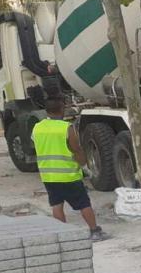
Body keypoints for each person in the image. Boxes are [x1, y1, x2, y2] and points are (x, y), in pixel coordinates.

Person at [31, 98, 106, 241]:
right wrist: (85, 166)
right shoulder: (66, 128)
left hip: (49, 176)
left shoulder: (37, 127)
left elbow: (38, 146)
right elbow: (76, 149)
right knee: (83, 204)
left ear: (46, 111)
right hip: (68, 175)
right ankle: (94, 231)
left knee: (57, 205)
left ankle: (63, 234)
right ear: (62, 109)